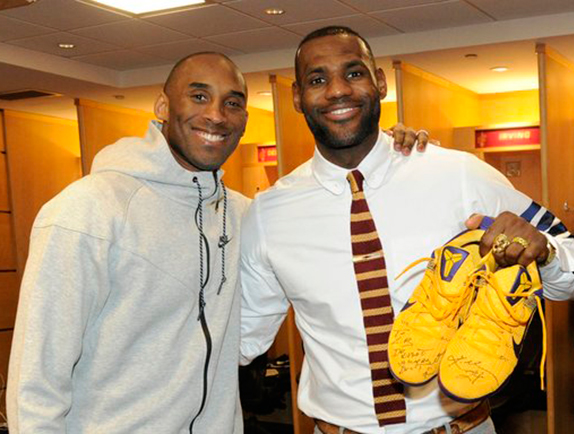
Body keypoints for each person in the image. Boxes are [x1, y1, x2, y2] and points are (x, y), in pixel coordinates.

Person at [6, 51, 427, 432]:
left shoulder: (248, 214)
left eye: (232, 102)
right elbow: (36, 381)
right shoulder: (88, 210)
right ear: (162, 107)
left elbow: (324, 213)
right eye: (199, 97)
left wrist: (390, 154)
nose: (217, 116)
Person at [239, 26, 574, 434]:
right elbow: (242, 338)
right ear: (298, 98)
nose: (337, 90)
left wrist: (546, 253)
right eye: (318, 79)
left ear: (381, 83)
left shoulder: (457, 173)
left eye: (354, 73)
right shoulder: (269, 213)